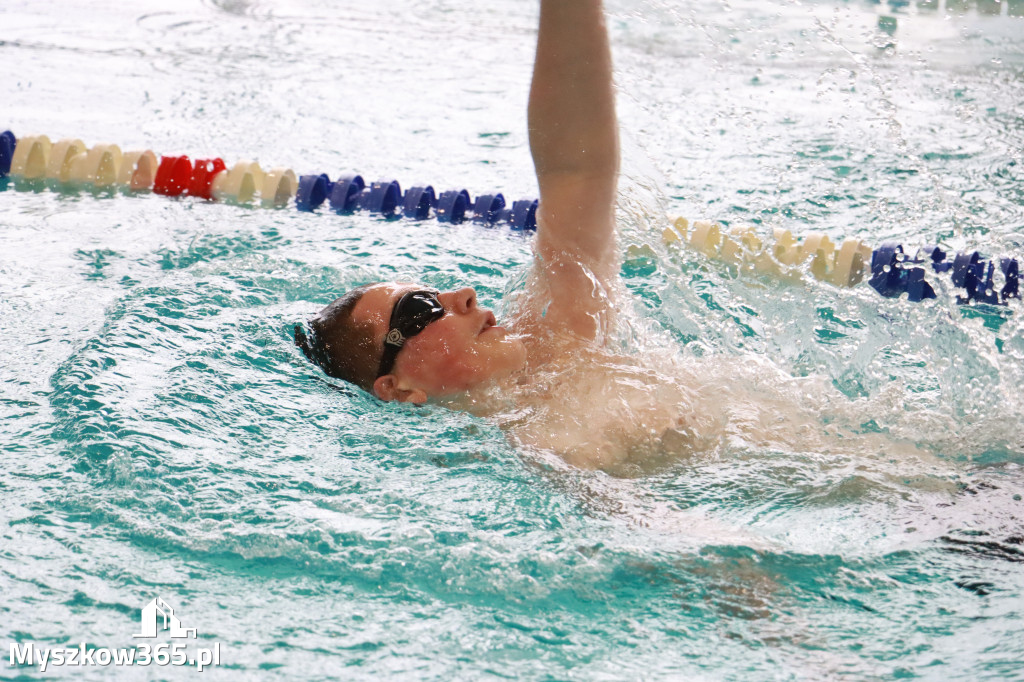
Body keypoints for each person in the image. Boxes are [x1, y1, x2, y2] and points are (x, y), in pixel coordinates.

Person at [295, 0, 946, 479]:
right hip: (925, 527)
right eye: (420, 309)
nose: (460, 294)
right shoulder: (548, 448)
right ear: (399, 389)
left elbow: (575, 171)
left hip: (941, 473)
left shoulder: (563, 325)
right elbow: (669, 540)